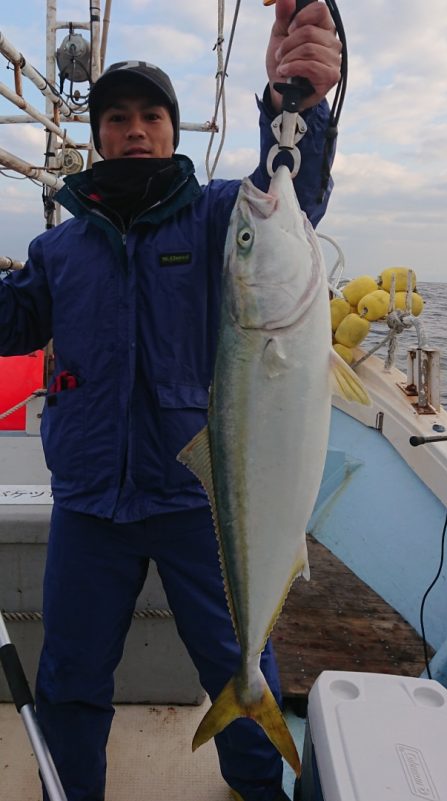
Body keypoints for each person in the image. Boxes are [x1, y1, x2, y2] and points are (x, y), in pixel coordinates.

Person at [0, 1, 341, 799]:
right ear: (99, 136)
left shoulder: (221, 214)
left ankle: (260, 786)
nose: (135, 129)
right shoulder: (59, 247)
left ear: (173, 129)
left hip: (200, 497)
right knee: (72, 676)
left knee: (238, 657)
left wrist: (297, 103)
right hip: (91, 504)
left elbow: (293, 193)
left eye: (152, 114)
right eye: (117, 117)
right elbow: (12, 319)